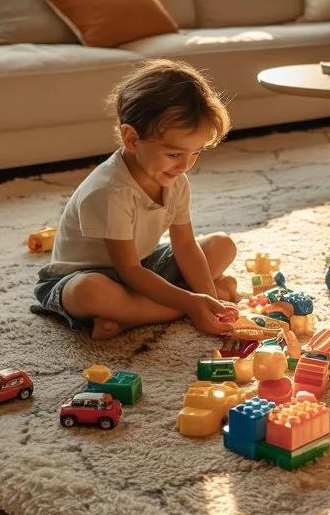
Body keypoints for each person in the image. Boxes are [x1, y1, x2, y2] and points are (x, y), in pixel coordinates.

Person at [32, 58, 239, 340]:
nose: (185, 166)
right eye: (175, 154)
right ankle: (171, 308)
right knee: (90, 292)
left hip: (143, 265)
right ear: (131, 138)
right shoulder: (110, 191)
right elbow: (127, 270)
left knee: (221, 244)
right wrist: (191, 303)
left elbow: (186, 245)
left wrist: (210, 296)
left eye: (196, 153)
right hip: (84, 276)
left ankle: (131, 315)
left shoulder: (175, 180)